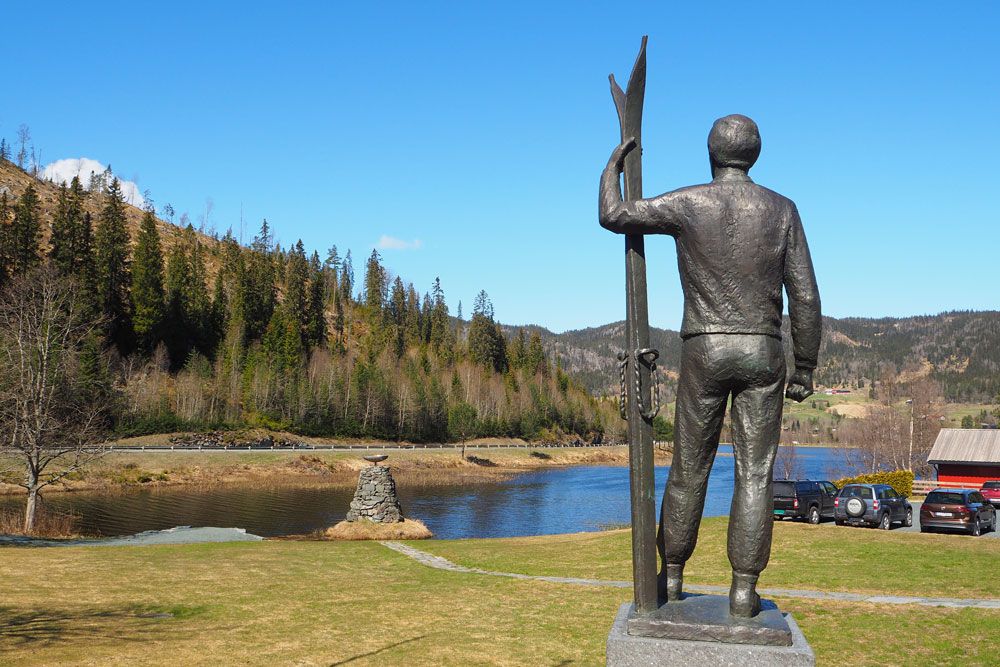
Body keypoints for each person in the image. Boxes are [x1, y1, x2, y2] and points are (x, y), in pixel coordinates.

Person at [598, 114, 821, 618]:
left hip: (706, 348)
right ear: (754, 154)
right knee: (757, 473)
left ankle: (671, 576)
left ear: (712, 154)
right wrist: (804, 364)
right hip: (763, 351)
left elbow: (613, 215)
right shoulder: (782, 210)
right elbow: (804, 295)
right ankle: (743, 591)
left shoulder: (689, 202)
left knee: (689, 467)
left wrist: (614, 164)